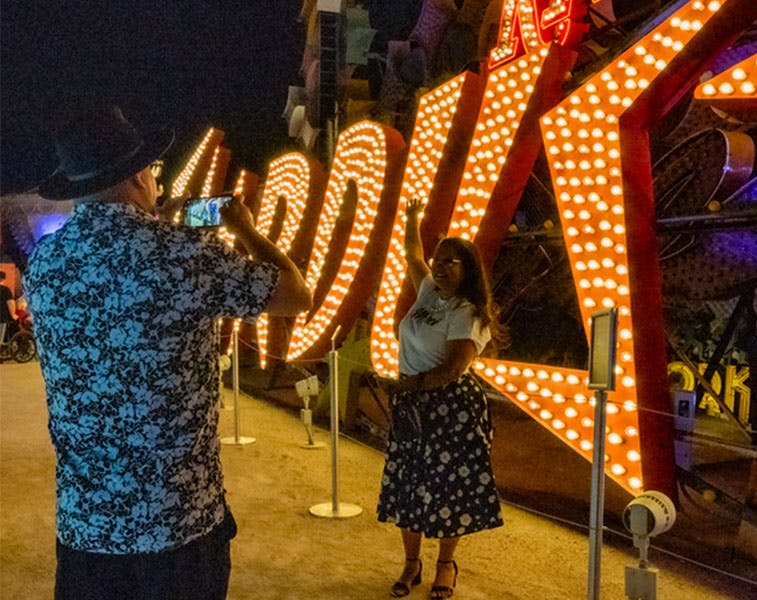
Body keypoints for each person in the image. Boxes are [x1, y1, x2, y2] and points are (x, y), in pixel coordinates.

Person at [24, 105, 312, 600]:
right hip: (177, 526)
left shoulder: (45, 264)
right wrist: (243, 229)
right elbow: (296, 295)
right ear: (138, 177)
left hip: (86, 529)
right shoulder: (183, 255)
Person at [377, 198, 505, 599]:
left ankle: (445, 564)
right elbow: (412, 253)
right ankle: (411, 562)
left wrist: (403, 387)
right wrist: (414, 219)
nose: (441, 266)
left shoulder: (469, 312)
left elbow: (452, 369)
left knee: (449, 488)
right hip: (413, 403)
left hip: (450, 407)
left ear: (467, 270)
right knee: (407, 484)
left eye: (452, 261)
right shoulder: (429, 293)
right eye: (440, 259)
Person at [0, 271, 19, 342]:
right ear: (3, 279)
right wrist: (13, 315)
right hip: (2, 318)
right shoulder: (5, 290)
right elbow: (10, 303)